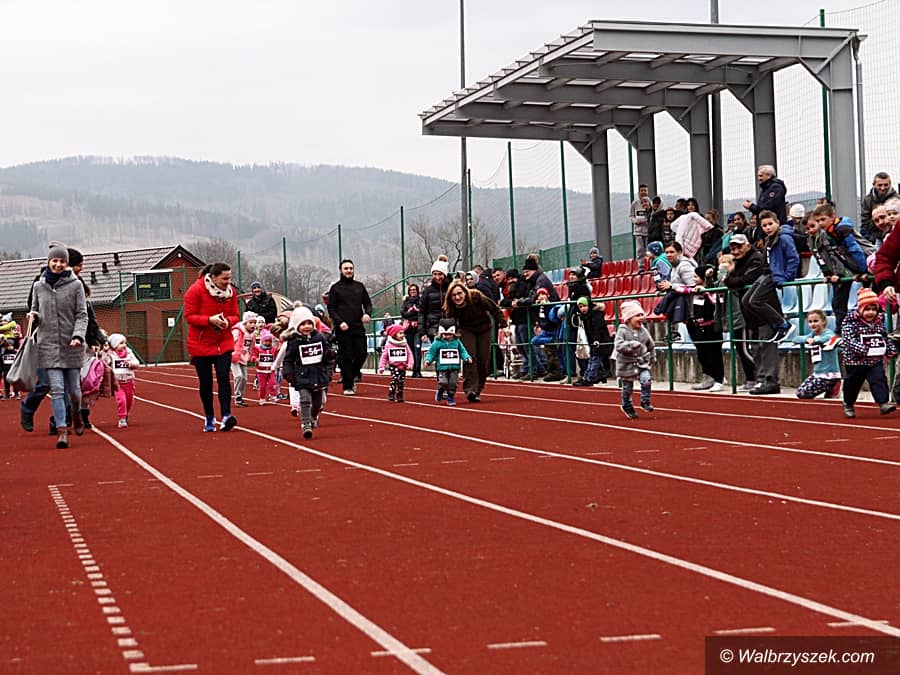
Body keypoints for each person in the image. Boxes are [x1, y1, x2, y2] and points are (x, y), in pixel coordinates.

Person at [28, 242, 88, 449]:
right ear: (49, 262)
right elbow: (35, 309)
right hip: (48, 346)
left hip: (72, 345)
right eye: (54, 260)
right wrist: (33, 316)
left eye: (62, 261)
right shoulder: (38, 286)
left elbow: (82, 315)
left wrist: (78, 336)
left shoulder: (76, 285)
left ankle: (77, 413)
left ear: (66, 263)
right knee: (57, 390)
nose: (58, 264)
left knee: (74, 391)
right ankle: (62, 431)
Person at [184, 262, 240, 433]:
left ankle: (226, 415)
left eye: (229, 278)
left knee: (224, 377)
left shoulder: (231, 292)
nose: (228, 282)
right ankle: (209, 416)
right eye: (224, 278)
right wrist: (209, 320)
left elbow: (236, 315)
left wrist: (227, 322)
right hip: (201, 344)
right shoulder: (195, 291)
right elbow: (189, 317)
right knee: (206, 382)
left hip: (223, 342)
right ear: (214, 277)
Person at [740, 209, 799, 347]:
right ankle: (776, 325)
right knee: (746, 301)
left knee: (755, 301)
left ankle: (782, 324)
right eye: (764, 225)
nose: (768, 228)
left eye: (770, 224)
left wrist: (786, 277)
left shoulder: (784, 238)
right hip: (766, 273)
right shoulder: (768, 239)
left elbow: (793, 258)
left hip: (775, 275)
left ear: (777, 223)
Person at [806, 204, 869, 330]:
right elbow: (834, 256)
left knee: (867, 299)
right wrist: (828, 274)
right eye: (818, 221)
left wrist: (863, 270)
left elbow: (855, 250)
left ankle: (852, 329)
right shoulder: (826, 233)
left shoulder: (841, 229)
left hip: (867, 262)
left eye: (823, 220)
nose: (820, 223)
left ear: (832, 217)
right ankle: (843, 329)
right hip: (851, 268)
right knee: (838, 303)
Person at [442, 279, 506, 401]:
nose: (457, 297)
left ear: (465, 292)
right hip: (466, 330)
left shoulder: (476, 297)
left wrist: (504, 325)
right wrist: (447, 336)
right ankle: (470, 389)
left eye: (459, 293)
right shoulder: (450, 307)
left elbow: (495, 309)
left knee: (483, 359)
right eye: (454, 295)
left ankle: (478, 389)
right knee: (469, 357)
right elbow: (448, 322)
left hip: (484, 328)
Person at [840, 289, 897, 418]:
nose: (871, 312)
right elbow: (849, 340)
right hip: (855, 361)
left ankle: (883, 403)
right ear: (860, 309)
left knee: (879, 379)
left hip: (874, 360)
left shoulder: (879, 323)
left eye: (873, 309)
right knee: (853, 384)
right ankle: (848, 403)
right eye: (867, 309)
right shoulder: (850, 323)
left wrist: (890, 350)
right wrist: (863, 349)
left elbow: (884, 338)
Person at [722, 234, 767, 392]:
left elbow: (746, 280)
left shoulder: (755, 259)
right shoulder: (738, 262)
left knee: (749, 347)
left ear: (747, 246)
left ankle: (759, 377)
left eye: (739, 247)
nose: (736, 251)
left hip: (751, 310)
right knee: (745, 347)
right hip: (742, 311)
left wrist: (728, 281)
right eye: (733, 248)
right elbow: (733, 280)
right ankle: (754, 378)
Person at [282, 306, 335, 438]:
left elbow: (327, 354)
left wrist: (330, 355)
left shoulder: (319, 337)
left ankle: (313, 416)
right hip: (302, 376)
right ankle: (305, 424)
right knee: (305, 399)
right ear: (296, 326)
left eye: (309, 323)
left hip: (318, 375)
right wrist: (288, 373)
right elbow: (288, 359)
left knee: (318, 403)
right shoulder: (294, 342)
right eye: (303, 324)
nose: (307, 327)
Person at [327, 259, 372, 396]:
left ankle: (350, 375)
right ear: (341, 270)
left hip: (358, 326)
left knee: (362, 353)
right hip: (343, 328)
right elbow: (331, 308)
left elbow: (367, 303)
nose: (349, 271)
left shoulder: (359, 286)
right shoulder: (335, 288)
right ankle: (348, 386)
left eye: (351, 268)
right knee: (346, 356)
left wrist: (367, 314)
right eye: (346, 268)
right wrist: (340, 322)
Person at [614, 300, 656, 419]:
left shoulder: (643, 330)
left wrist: (652, 357)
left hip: (641, 363)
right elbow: (618, 346)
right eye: (637, 315)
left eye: (642, 314)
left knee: (646, 380)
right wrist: (631, 345)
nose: (641, 317)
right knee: (627, 387)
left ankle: (645, 401)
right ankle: (627, 405)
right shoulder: (622, 330)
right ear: (629, 318)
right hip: (626, 364)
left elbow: (651, 345)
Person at [688, 265, 725, 392]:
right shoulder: (694, 290)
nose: (694, 279)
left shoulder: (713, 288)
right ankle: (708, 377)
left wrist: (705, 291)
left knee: (715, 354)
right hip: (699, 327)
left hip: (712, 327)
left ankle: (719, 380)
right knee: (702, 354)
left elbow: (716, 302)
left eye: (696, 276)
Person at [790, 309, 842, 399]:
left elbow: (829, 338)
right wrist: (806, 339)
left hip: (829, 375)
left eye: (816, 321)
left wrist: (815, 340)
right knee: (799, 391)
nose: (813, 324)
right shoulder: (813, 334)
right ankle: (831, 389)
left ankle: (834, 384)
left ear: (823, 321)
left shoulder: (828, 334)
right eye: (810, 322)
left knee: (803, 394)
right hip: (818, 373)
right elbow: (795, 339)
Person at [424, 318, 472, 406]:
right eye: (445, 334)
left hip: (454, 367)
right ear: (441, 333)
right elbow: (431, 352)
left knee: (453, 383)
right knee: (443, 382)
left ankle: (450, 397)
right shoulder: (437, 342)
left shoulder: (457, 342)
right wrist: (428, 360)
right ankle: (440, 391)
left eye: (450, 334)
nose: (447, 336)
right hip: (442, 367)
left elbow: (462, 351)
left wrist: (467, 357)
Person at [569, 297, 611, 385]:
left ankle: (589, 378)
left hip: (600, 342)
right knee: (592, 359)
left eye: (584, 306)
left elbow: (598, 329)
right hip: (593, 342)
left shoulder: (596, 316)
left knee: (595, 360)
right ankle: (588, 377)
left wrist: (596, 340)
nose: (582, 309)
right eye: (580, 307)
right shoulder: (584, 317)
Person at [105, 332, 140, 428]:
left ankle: (126, 414)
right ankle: (122, 418)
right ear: (114, 345)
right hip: (117, 383)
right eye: (121, 343)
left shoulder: (129, 352)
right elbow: (105, 361)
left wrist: (131, 364)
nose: (124, 345)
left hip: (129, 381)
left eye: (124, 343)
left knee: (129, 400)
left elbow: (136, 362)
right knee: (121, 400)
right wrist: (105, 352)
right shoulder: (111, 354)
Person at [418, 256, 452, 343]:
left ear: (445, 274)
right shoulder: (427, 291)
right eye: (435, 274)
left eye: (440, 274)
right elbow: (422, 312)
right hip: (433, 329)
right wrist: (422, 332)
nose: (437, 277)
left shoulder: (452, 288)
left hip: (451, 328)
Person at [378, 323, 413, 402]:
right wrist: (382, 366)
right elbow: (384, 356)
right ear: (394, 334)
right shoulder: (389, 344)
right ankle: (392, 393)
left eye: (403, 333)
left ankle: (399, 394)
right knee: (396, 378)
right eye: (400, 333)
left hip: (403, 366)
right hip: (394, 366)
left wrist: (410, 363)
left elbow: (409, 353)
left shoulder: (404, 343)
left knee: (401, 381)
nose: (402, 335)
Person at [860, 172, 898, 244]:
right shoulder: (868, 200)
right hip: (873, 234)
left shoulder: (896, 200)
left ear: (890, 184)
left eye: (885, 185)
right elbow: (865, 221)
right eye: (880, 185)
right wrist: (878, 236)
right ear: (874, 185)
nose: (883, 188)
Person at [230, 311, 258, 406]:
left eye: (254, 322)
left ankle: (241, 397)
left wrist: (250, 355)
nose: (253, 325)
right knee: (238, 376)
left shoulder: (253, 334)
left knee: (245, 378)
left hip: (244, 357)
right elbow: (230, 341)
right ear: (245, 323)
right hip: (234, 357)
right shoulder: (238, 331)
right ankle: (237, 397)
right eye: (251, 322)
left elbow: (252, 346)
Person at [399, 283, 423, 377]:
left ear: (417, 291)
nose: (413, 291)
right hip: (408, 330)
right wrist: (413, 311)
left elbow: (421, 313)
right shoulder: (405, 302)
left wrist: (412, 314)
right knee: (411, 350)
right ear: (409, 291)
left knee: (417, 348)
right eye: (411, 290)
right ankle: (413, 370)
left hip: (418, 329)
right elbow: (403, 313)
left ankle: (418, 370)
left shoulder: (421, 301)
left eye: (414, 289)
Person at [251, 328, 280, 404]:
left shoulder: (273, 349)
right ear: (262, 341)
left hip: (271, 370)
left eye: (269, 341)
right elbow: (253, 356)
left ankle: (273, 396)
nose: (268, 343)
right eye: (266, 341)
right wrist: (255, 359)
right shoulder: (258, 349)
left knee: (273, 383)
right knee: (262, 386)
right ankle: (262, 398)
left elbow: (277, 356)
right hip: (261, 371)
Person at [629, 184, 650, 260]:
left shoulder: (650, 202)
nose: (643, 192)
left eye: (645, 190)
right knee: (640, 249)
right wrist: (635, 221)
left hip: (648, 230)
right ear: (639, 192)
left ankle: (649, 264)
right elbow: (631, 215)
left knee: (648, 249)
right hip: (638, 231)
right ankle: (641, 265)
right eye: (642, 190)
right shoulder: (635, 203)